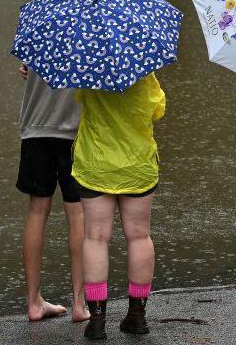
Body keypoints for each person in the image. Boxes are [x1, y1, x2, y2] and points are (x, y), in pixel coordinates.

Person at [16, 0, 88, 323]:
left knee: (37, 212)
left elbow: (27, 66)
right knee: (77, 215)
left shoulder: (31, 17)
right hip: (75, 133)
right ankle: (79, 303)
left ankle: (33, 301)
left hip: (35, 130)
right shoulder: (88, 24)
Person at [76, 73, 166, 341]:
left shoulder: (88, 70)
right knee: (139, 236)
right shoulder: (144, 72)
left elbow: (80, 101)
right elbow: (158, 109)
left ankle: (97, 320)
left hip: (95, 165)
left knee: (95, 238)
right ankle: (137, 316)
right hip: (137, 166)